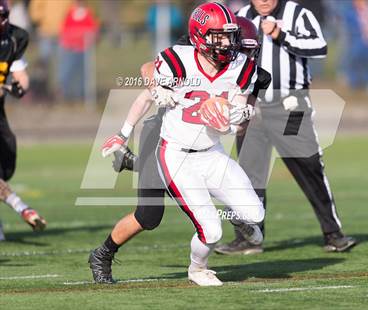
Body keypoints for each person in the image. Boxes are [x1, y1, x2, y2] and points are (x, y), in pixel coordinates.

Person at [89, 2, 265, 287]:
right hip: (170, 146)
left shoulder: (246, 69)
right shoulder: (180, 58)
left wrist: (236, 115)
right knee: (151, 215)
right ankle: (103, 255)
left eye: (233, 38)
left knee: (255, 214)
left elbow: (238, 117)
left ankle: (137, 165)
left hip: (210, 150)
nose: (229, 45)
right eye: (220, 36)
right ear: (201, 36)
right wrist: (125, 130)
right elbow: (147, 80)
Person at [215, 0, 356, 255]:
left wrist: (281, 35)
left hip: (290, 106)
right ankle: (249, 237)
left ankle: (333, 233)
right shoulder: (240, 17)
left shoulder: (298, 14)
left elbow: (319, 47)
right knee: (248, 174)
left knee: (308, 165)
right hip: (252, 108)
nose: (265, 1)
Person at [0, 0, 46, 241]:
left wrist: (18, 87)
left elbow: (20, 77)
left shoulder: (16, 37)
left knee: (6, 163)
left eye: (3, 16)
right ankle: (22, 208)